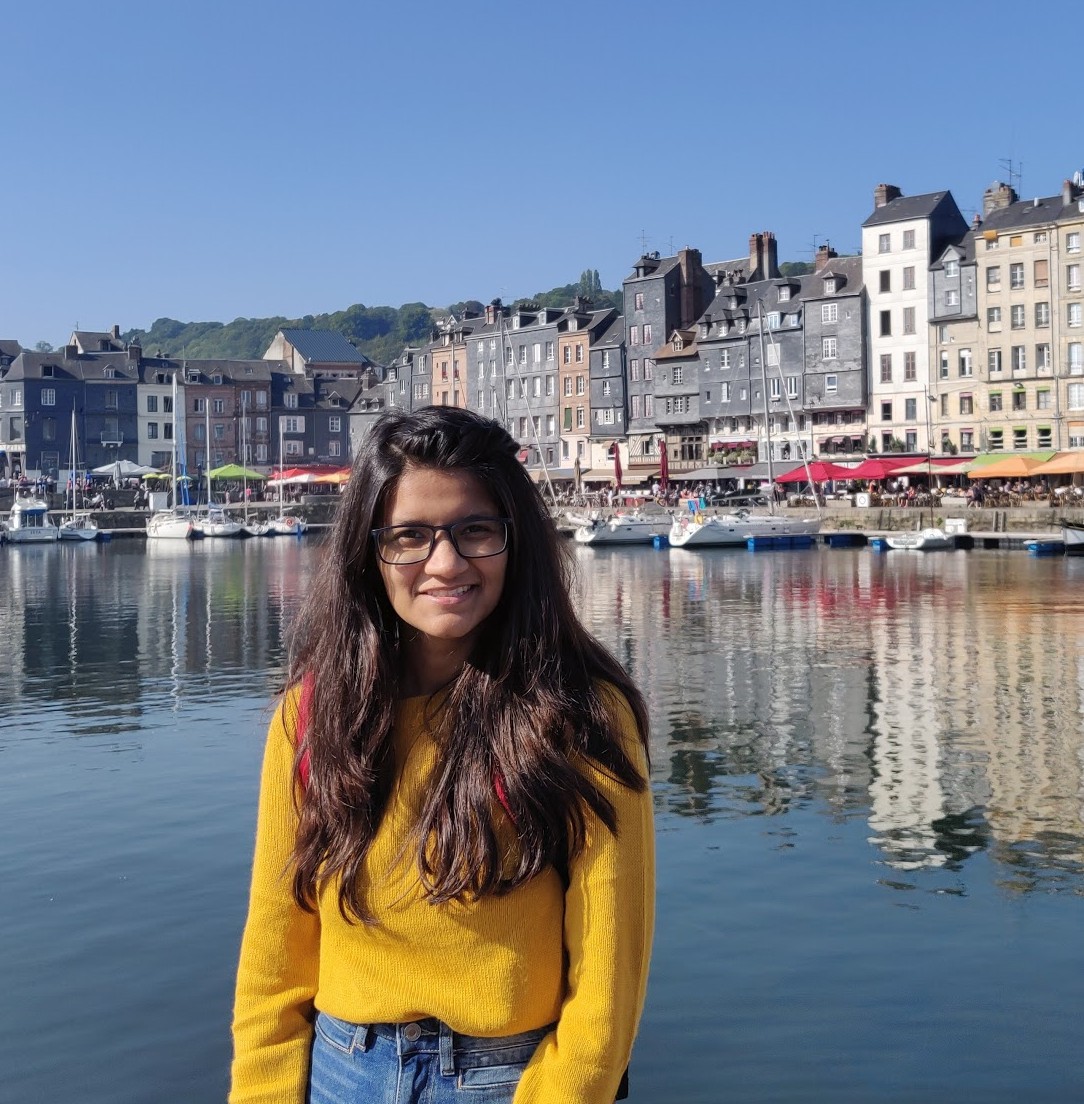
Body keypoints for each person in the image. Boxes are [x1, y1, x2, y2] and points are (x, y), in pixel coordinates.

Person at [231, 406, 655, 1104]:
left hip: (508, 1077)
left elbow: (610, 968)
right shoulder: (311, 716)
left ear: (516, 542)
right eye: (410, 537)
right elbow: (277, 948)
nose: (446, 563)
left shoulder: (580, 716)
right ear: (369, 553)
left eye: (475, 531)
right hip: (340, 1070)